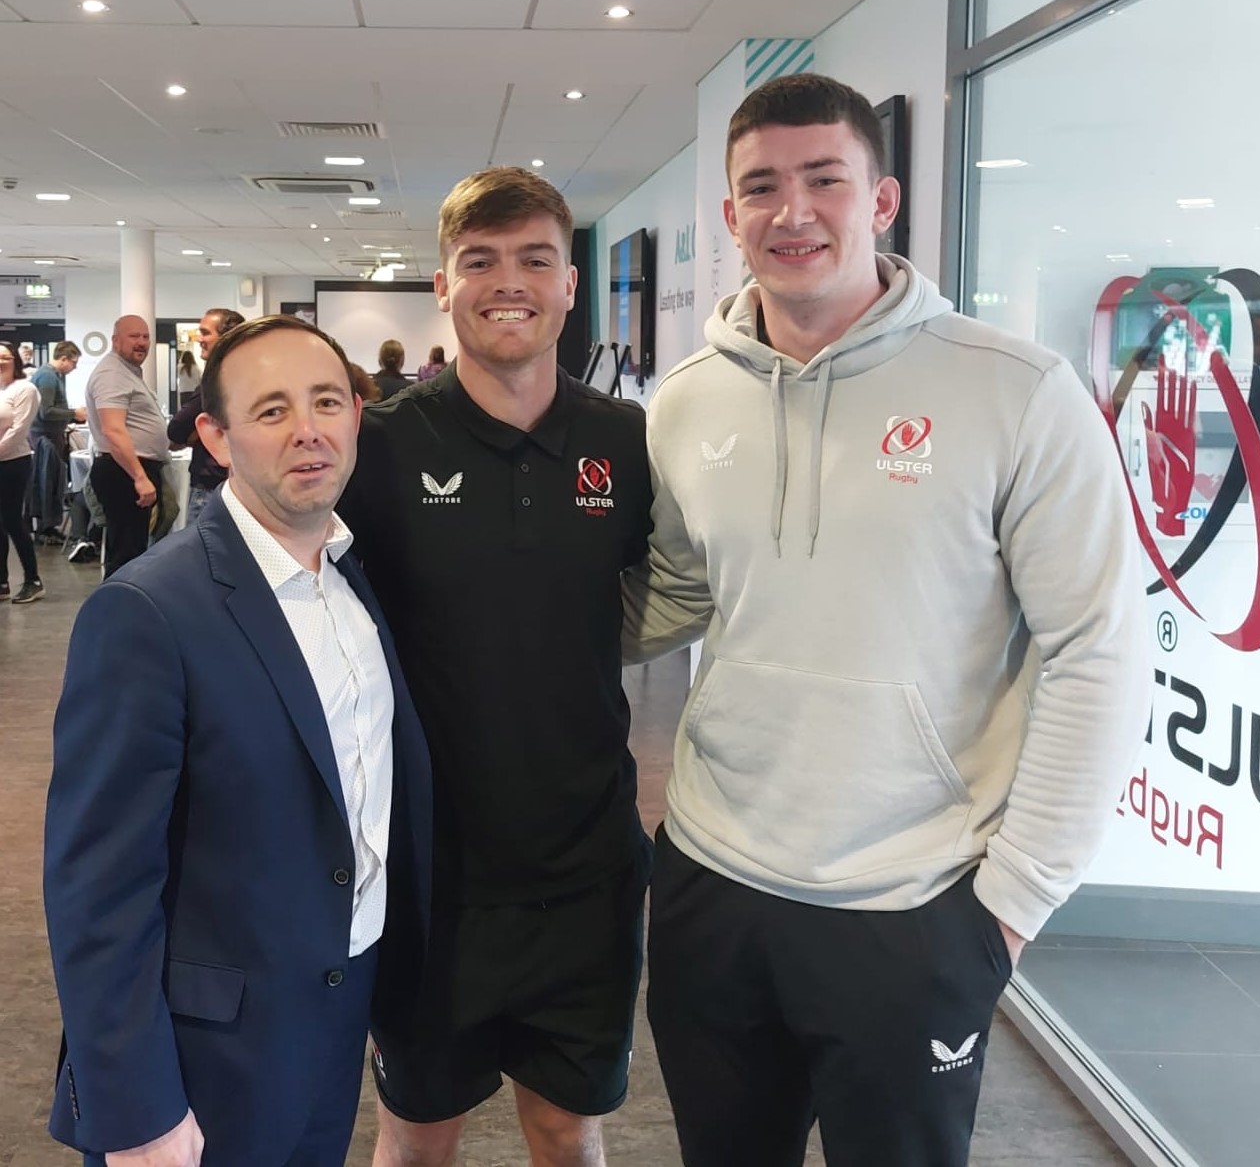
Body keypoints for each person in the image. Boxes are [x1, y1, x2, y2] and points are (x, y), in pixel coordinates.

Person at [622, 73, 1151, 1167]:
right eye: (761, 187)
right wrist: (480, 614)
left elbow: (1097, 653)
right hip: (713, 879)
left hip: (916, 900)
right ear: (729, 215)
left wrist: (1013, 905)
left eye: (825, 179)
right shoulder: (687, 400)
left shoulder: (1017, 391)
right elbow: (677, 593)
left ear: (882, 199)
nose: (793, 211)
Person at [44, 314, 433, 1167]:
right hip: (203, 1066)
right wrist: (136, 1109)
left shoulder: (355, 582)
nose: (307, 430)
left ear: (356, 418)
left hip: (332, 1026)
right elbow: (97, 888)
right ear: (215, 438)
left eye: (326, 401)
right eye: (271, 409)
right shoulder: (148, 611)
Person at [338, 167, 653, 1167]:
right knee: (416, 1132)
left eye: (534, 259)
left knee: (566, 1126)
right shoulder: (379, 447)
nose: (508, 281)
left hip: (587, 869)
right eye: (480, 261)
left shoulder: (625, 442)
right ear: (444, 285)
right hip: (431, 874)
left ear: (569, 285)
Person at [86, 315, 167, 578]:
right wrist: (140, 477)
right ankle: (117, 601)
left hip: (129, 469)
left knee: (132, 548)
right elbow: (113, 430)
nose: (141, 342)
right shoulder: (112, 374)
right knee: (126, 553)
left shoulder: (126, 371)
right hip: (124, 472)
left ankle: (122, 599)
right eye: (134, 336)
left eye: (145, 337)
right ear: (115, 340)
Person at [167, 308, 245, 523]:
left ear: (226, 337)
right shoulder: (246, 377)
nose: (199, 339)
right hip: (235, 483)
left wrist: (195, 434)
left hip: (211, 486)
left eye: (205, 333)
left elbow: (176, 429)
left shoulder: (218, 380)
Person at [0, 341, 43, 603]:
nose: (1, 361)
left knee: (13, 521)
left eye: (5, 357)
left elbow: (19, 429)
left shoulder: (25, 389)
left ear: (15, 360)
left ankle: (33, 580)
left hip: (14, 462)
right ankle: (2, 581)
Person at [28, 339, 85, 452]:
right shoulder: (47, 376)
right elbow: (46, 412)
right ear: (63, 359)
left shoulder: (49, 375)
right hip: (46, 437)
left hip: (48, 435)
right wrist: (74, 413)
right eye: (74, 363)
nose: (75, 367)